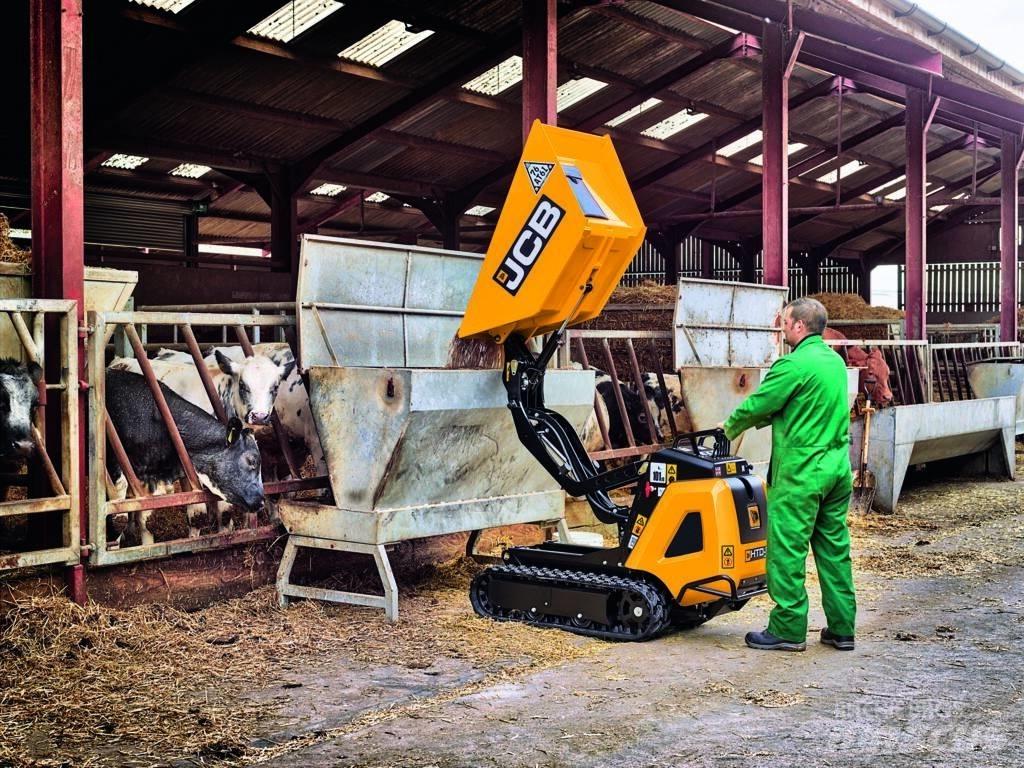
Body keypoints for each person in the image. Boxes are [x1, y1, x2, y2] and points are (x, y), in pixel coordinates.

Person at [722, 297, 856, 652]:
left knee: (786, 550)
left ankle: (788, 628)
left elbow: (760, 404)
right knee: (834, 550)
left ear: (799, 326)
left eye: (784, 323)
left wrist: (729, 427)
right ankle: (842, 628)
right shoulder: (834, 363)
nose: (781, 329)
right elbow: (797, 407)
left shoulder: (792, 365)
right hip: (837, 468)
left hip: (801, 472)